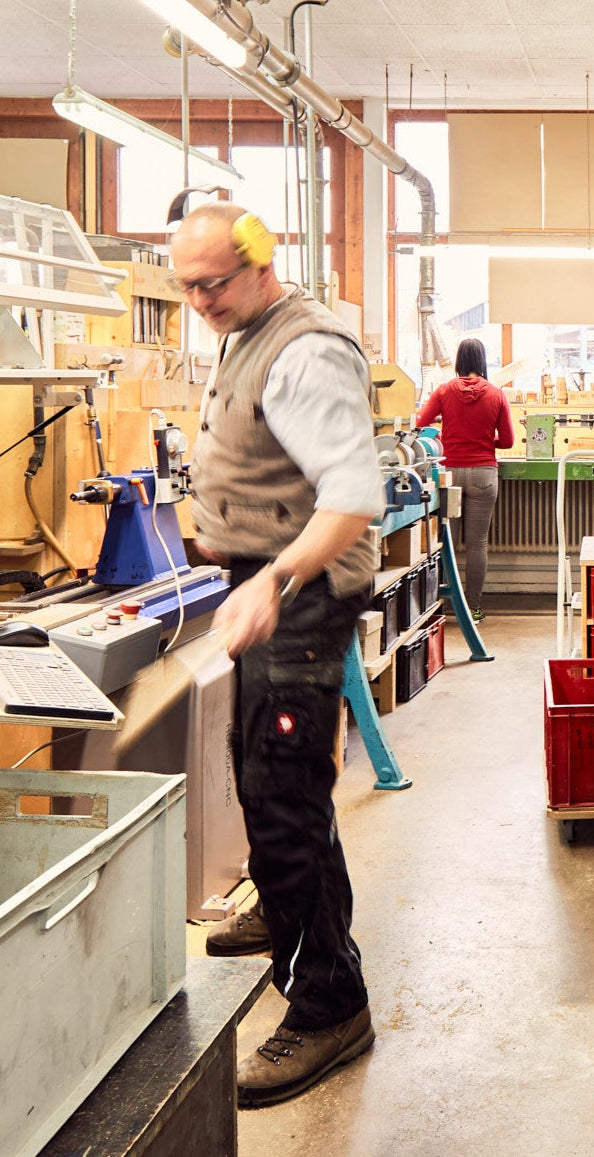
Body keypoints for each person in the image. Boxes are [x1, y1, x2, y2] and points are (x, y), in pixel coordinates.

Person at [172, 201, 382, 1106]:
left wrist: (273, 577)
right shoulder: (243, 327)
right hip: (269, 579)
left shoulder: (304, 352)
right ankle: (291, 915)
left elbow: (353, 497)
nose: (201, 300)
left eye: (214, 282)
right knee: (268, 780)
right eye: (188, 286)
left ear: (262, 266)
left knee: (282, 791)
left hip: (302, 591)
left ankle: (328, 1004)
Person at [416, 338, 514, 619]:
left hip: (449, 474)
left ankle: (441, 606)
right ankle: (472, 609)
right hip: (484, 473)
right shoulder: (496, 394)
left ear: (459, 361)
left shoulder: (444, 391)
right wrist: (483, 440)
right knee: (477, 543)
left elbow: (420, 425)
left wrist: (446, 437)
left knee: (445, 543)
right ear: (483, 361)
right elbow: (507, 441)